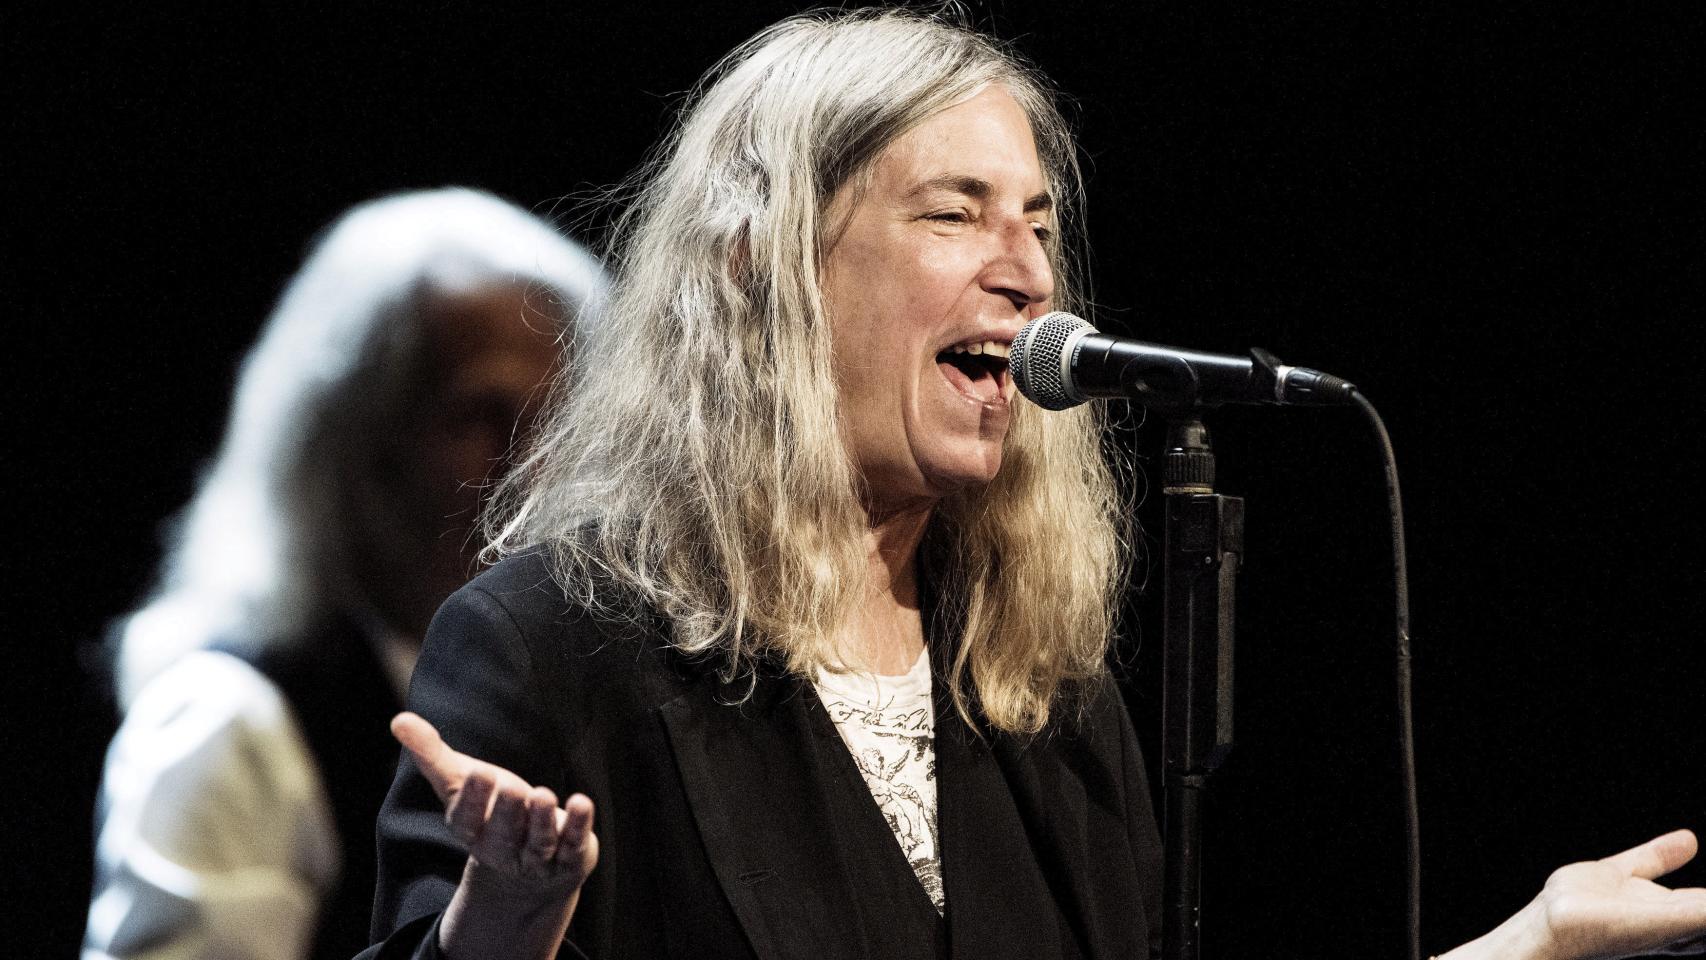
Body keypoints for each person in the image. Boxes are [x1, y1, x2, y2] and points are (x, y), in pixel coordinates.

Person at [360, 11, 1706, 960]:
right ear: (759, 264)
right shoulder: (549, 653)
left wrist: (1514, 952)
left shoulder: (1033, 694)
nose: (1027, 272)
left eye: (1039, 223)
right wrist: (508, 925)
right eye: (953, 212)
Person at [83, 188, 605, 960]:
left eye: (558, 420)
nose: (531, 467)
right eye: (479, 417)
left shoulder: (577, 701)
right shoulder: (233, 723)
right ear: (358, 442)